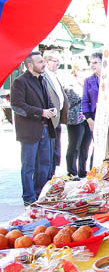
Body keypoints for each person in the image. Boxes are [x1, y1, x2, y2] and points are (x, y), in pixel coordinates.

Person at [10, 52, 58, 205]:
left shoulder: (42, 79)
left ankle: (39, 195)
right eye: (39, 62)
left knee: (44, 164)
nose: (43, 64)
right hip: (30, 130)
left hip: (45, 128)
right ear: (30, 65)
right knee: (29, 166)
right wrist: (41, 112)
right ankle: (28, 198)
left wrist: (52, 109)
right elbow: (17, 105)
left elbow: (47, 101)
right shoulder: (20, 82)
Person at [43, 50, 70, 176]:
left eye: (59, 61)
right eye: (55, 61)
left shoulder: (54, 75)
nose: (58, 64)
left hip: (57, 117)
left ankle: (52, 176)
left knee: (55, 152)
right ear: (46, 62)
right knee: (48, 153)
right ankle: (47, 180)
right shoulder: (44, 76)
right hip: (49, 119)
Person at [64, 85, 91, 178]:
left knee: (85, 146)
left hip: (88, 117)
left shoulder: (91, 80)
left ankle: (82, 171)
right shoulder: (69, 82)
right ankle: (72, 172)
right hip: (75, 117)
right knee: (74, 145)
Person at [81, 51, 102, 168]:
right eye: (91, 63)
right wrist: (89, 119)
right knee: (97, 145)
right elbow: (85, 101)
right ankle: (93, 170)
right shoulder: (88, 81)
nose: (92, 65)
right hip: (95, 116)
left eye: (95, 62)